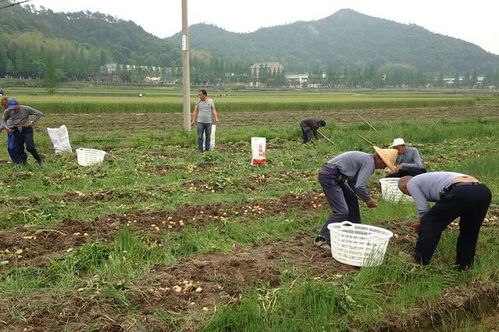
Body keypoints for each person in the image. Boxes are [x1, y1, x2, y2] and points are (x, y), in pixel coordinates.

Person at [398, 172, 491, 270]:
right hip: (483, 191)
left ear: (405, 188)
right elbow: (447, 209)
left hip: (462, 190)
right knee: (470, 230)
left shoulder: (411, 183)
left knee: (429, 221)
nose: (411, 196)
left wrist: (423, 224)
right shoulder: (429, 179)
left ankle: (419, 261)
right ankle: (464, 265)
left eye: (408, 194)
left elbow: (424, 209)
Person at [315, 146, 398, 249]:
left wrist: (365, 198)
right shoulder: (369, 162)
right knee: (342, 211)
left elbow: (352, 182)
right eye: (384, 164)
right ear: (379, 158)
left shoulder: (366, 159)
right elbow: (359, 185)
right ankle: (321, 239)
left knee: (352, 199)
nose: (383, 168)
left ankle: (352, 231)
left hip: (334, 175)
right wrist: (368, 200)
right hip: (330, 176)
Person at [2, 99, 44, 165]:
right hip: (15, 130)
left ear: (18, 105)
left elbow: (39, 114)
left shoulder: (26, 108)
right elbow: (4, 120)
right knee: (19, 150)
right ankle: (24, 163)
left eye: (14, 107)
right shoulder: (8, 111)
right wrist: (7, 128)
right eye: (11, 108)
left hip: (26, 129)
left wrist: (32, 122)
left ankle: (40, 161)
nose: (13, 109)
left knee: (30, 148)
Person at [1, 97, 19, 163]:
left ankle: (19, 162)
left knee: (12, 148)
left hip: (15, 131)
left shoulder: (14, 112)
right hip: (10, 132)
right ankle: (16, 162)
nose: (3, 106)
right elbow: (5, 122)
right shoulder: (7, 111)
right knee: (10, 148)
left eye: (4, 104)